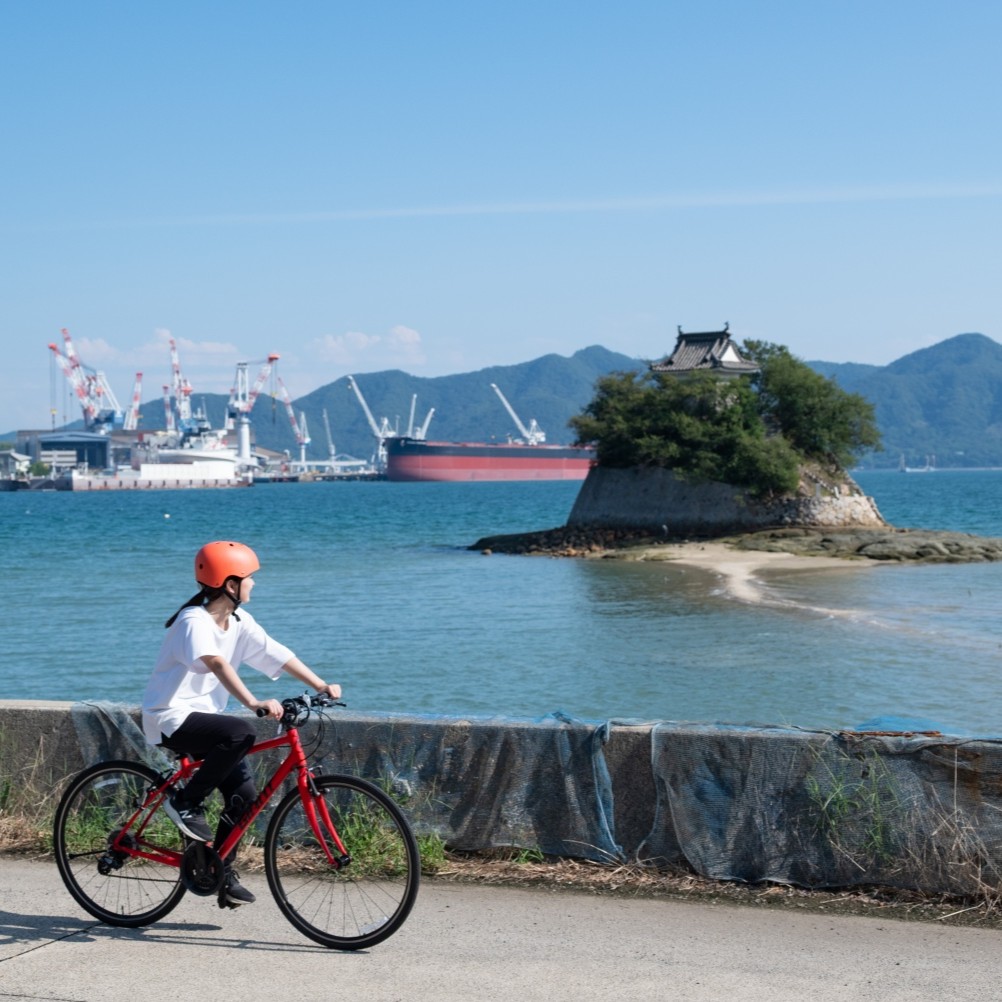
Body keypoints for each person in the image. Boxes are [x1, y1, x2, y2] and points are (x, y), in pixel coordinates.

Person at [141, 540, 341, 909]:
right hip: (170, 716)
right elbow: (217, 663)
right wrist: (253, 703)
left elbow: (276, 653)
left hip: (206, 721)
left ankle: (219, 873)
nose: (254, 585)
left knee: (245, 797)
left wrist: (320, 685)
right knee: (241, 732)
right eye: (250, 578)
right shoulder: (193, 622)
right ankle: (185, 802)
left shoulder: (238, 621)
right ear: (230, 584)